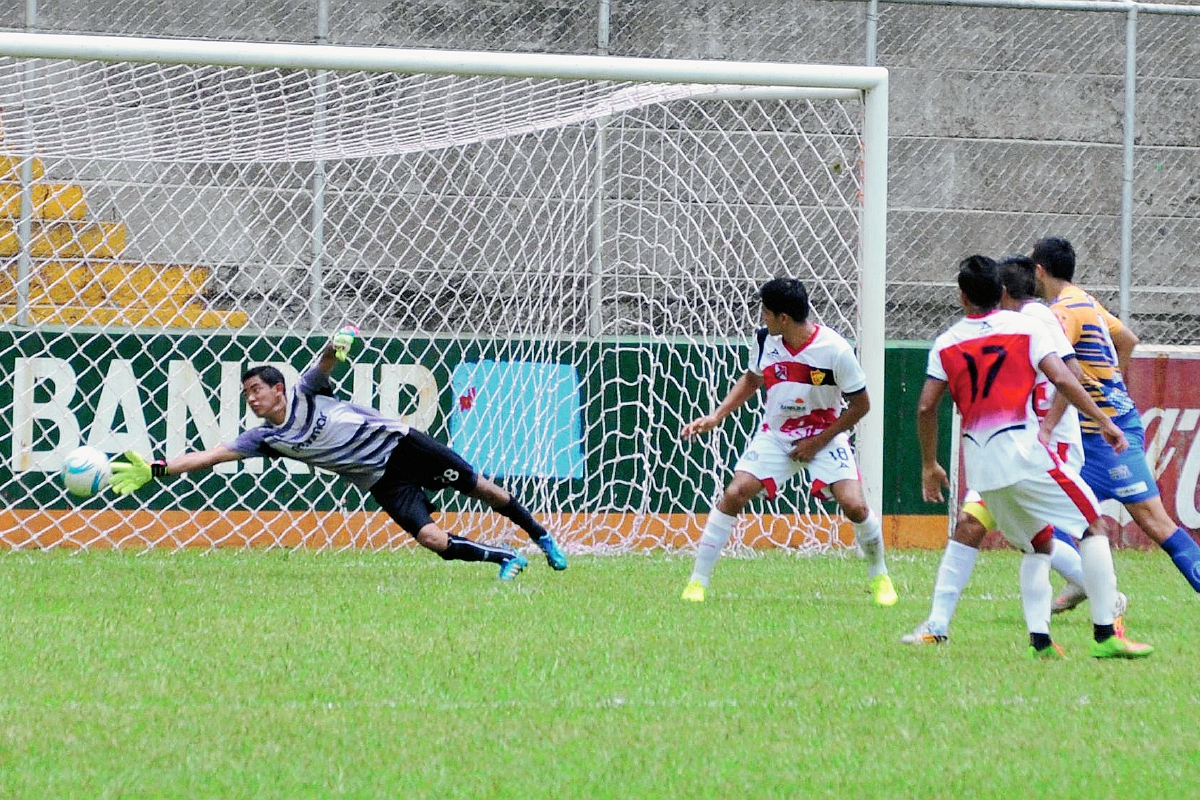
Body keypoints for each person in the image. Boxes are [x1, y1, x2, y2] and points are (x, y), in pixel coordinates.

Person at [108, 325, 568, 580]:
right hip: (381, 480)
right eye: (246, 393)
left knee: (482, 488)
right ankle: (505, 559)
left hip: (402, 445)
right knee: (433, 541)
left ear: (278, 389)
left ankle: (541, 536)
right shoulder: (264, 438)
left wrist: (340, 339)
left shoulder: (308, 390)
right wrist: (158, 468)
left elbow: (325, 358)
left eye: (255, 390)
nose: (251, 398)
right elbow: (209, 456)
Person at [919, 254, 1151, 659]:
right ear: (1000, 291)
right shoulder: (1028, 325)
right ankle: (1105, 633)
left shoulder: (947, 341)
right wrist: (1105, 421)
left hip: (981, 463)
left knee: (1036, 544)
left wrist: (929, 463)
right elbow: (1065, 376)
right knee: (1093, 526)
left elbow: (925, 407)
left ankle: (1039, 642)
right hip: (1029, 450)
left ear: (962, 296)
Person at [679, 277, 898, 606]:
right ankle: (698, 582)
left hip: (825, 435)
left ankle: (879, 575)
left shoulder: (835, 350)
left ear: (784, 318)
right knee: (735, 493)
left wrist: (818, 442)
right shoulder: (766, 340)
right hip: (777, 436)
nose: (762, 317)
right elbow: (753, 379)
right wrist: (716, 416)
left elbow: (861, 405)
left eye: (766, 312)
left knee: (855, 506)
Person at [1033, 236, 1200, 597]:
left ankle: (1085, 580)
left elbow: (1067, 374)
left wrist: (1049, 426)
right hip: (1098, 432)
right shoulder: (1085, 300)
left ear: (1039, 271)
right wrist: (1111, 384)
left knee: (1154, 521)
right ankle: (1083, 580)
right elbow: (1128, 339)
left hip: (1104, 437)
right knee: (1051, 517)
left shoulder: (1062, 311)